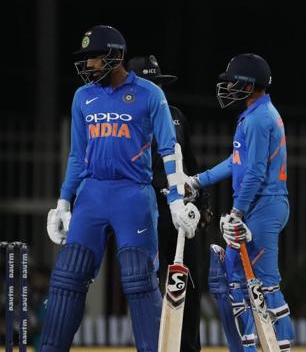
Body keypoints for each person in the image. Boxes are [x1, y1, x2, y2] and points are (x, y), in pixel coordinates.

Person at [43, 25, 199, 352]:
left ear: (115, 56)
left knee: (139, 280)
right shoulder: (82, 97)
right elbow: (76, 154)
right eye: (85, 60)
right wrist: (64, 201)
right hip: (91, 195)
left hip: (133, 195)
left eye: (94, 59)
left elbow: (169, 150)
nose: (87, 66)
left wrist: (174, 199)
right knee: (67, 278)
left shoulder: (149, 93)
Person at [187, 53, 294, 351]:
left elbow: (256, 171)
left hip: (263, 206)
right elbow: (238, 162)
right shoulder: (256, 113)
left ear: (250, 84)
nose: (229, 86)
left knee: (265, 285)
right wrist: (197, 180)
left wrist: (238, 211)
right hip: (262, 205)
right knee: (236, 279)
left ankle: (279, 347)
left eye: (234, 81)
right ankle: (246, 347)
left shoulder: (259, 119)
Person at [127, 55, 209, 352]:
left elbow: (189, 160)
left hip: (180, 212)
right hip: (147, 211)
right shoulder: (124, 117)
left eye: (158, 84)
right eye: (149, 84)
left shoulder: (175, 115)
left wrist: (203, 202)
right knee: (147, 286)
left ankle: (189, 348)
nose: (156, 90)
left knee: (189, 282)